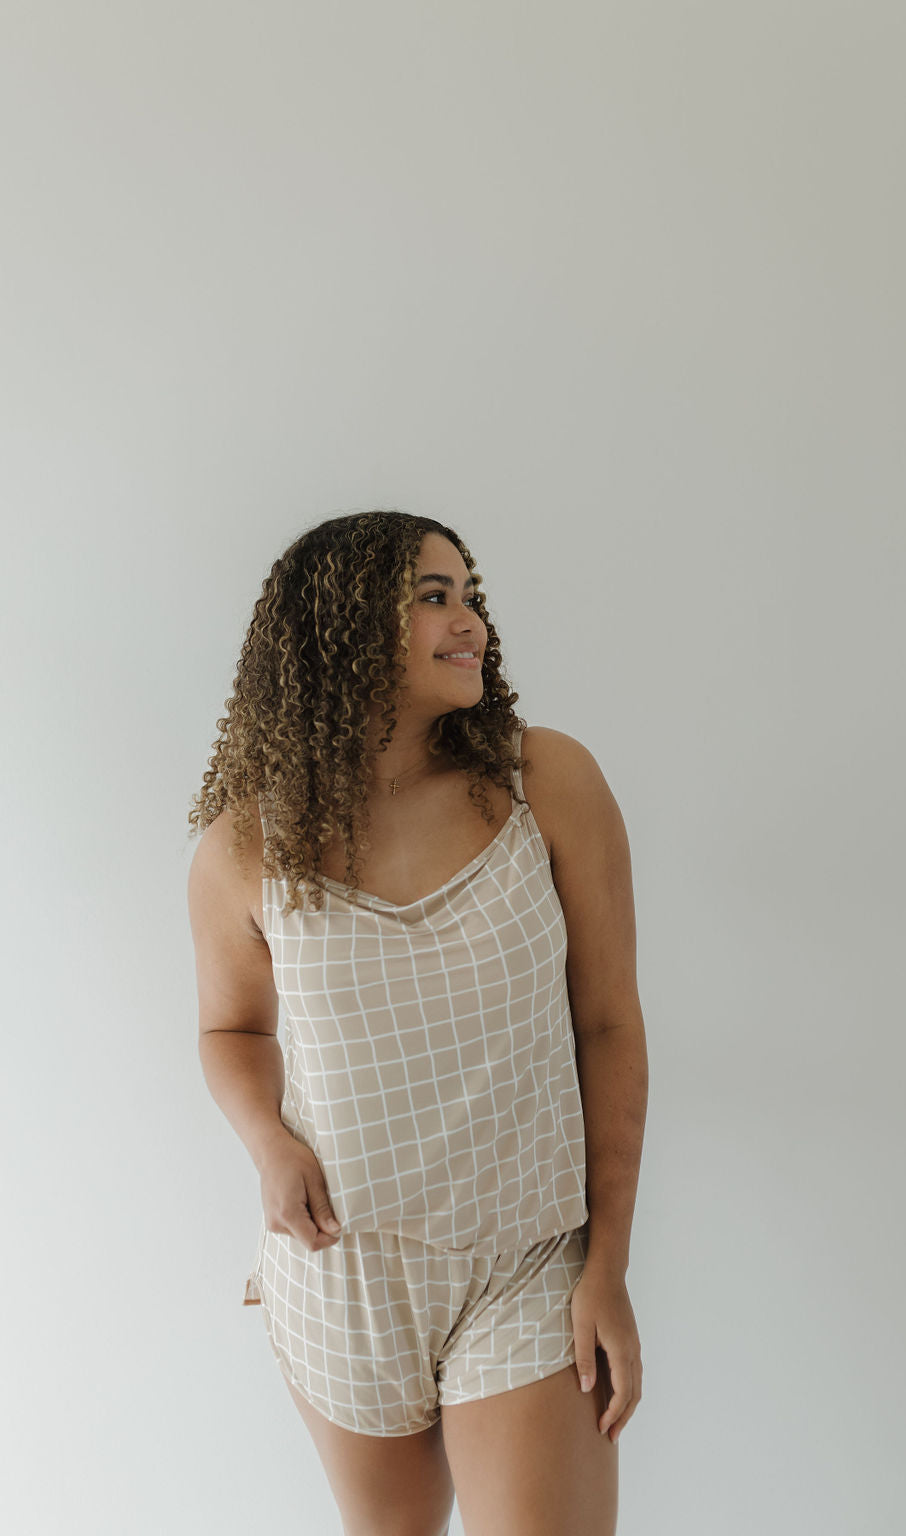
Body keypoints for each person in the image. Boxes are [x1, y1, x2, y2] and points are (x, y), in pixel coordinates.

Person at [187, 509, 648, 1535]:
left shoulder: (543, 785)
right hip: (340, 1270)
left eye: (467, 594)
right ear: (340, 630)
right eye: (432, 597)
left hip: (525, 1257)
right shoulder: (244, 846)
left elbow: (609, 1025)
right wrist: (266, 1141)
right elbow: (231, 1032)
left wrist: (606, 1263)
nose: (470, 619)